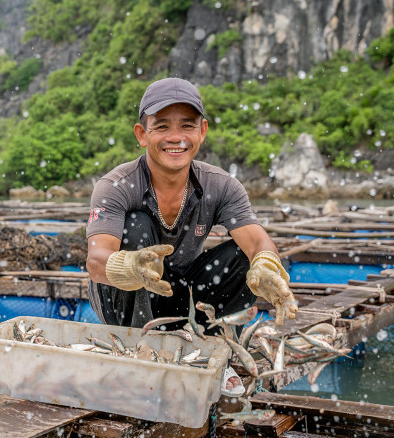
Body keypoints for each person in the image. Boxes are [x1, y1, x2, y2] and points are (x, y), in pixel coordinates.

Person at [85, 77, 298, 396]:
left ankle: (221, 352)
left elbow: (256, 240)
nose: (175, 138)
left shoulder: (221, 185)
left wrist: (266, 263)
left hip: (183, 291)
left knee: (244, 256)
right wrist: (131, 267)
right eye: (161, 127)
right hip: (124, 299)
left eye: (187, 125)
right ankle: (141, 352)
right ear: (142, 135)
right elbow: (97, 261)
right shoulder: (117, 186)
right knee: (137, 226)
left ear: (202, 131)